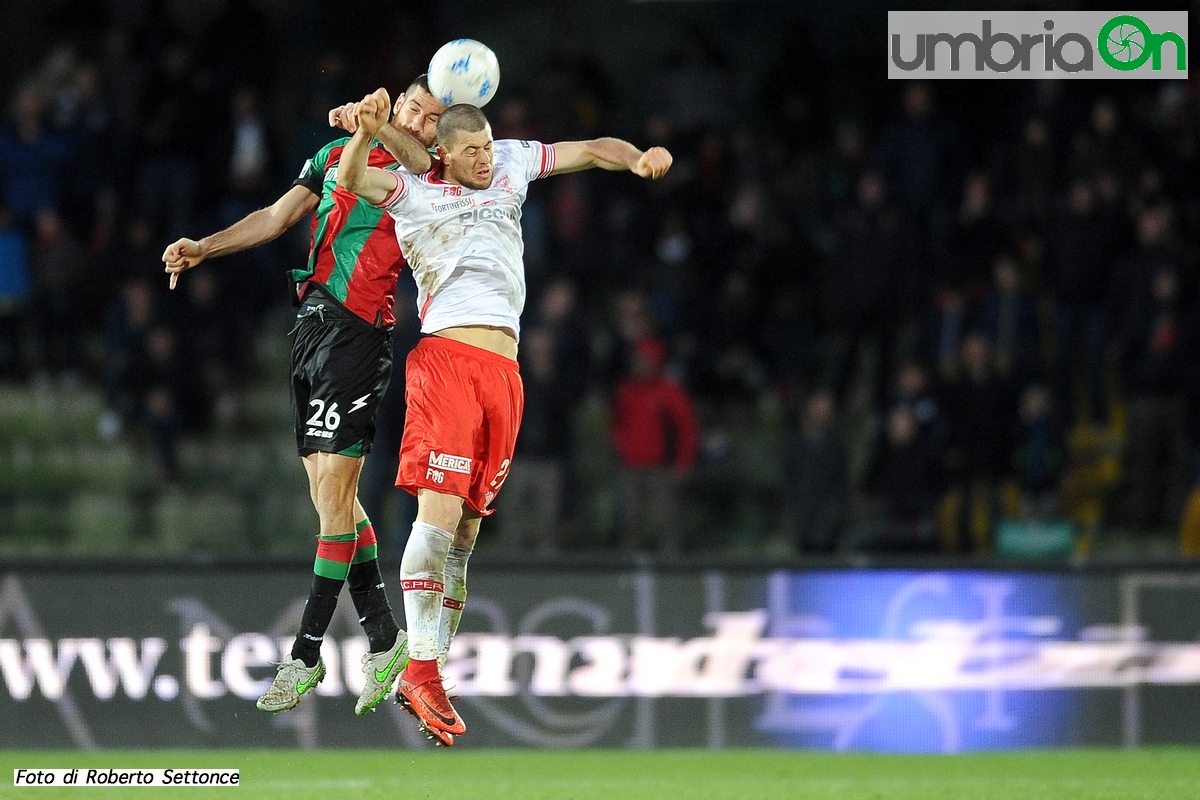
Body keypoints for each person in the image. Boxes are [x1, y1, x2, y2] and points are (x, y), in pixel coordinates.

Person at [337, 88, 671, 745]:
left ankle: (433, 670)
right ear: (444, 156)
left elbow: (591, 150)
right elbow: (351, 177)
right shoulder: (411, 191)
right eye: (471, 153)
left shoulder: (513, 161)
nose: (486, 161)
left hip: (505, 375)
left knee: (464, 536)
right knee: (437, 513)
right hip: (449, 363)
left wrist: (636, 157)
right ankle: (420, 671)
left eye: (489, 148)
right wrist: (365, 132)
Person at [161, 76, 446, 717]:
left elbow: (415, 158)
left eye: (429, 117)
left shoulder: (428, 175)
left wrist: (375, 126)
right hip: (312, 328)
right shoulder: (332, 152)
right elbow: (275, 216)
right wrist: (204, 247)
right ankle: (384, 641)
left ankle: (306, 655)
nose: (416, 119)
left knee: (334, 500)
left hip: (359, 334)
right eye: (410, 105)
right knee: (330, 500)